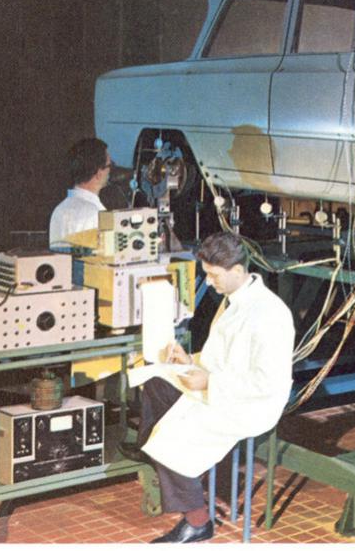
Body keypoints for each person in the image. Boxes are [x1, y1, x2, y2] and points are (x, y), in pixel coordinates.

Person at [119, 231, 295, 543]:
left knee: (171, 438)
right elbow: (223, 356)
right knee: (156, 380)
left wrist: (211, 381)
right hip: (219, 385)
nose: (209, 282)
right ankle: (156, 454)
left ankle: (198, 522)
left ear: (237, 271)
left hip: (249, 403)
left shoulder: (270, 314)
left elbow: (266, 382)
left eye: (213, 275)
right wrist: (190, 360)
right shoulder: (234, 300)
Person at [48, 138, 111, 250]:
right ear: (98, 173)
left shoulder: (59, 210)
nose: (110, 171)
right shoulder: (95, 214)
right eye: (109, 166)